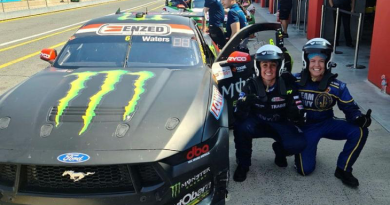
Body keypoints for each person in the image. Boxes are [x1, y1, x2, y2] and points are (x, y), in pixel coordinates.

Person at [294, 38, 371, 187]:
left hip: (327, 123)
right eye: (313, 61)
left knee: (360, 131)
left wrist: (358, 118)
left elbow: (350, 109)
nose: (317, 65)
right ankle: (306, 150)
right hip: (306, 127)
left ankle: (343, 169)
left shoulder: (338, 86)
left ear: (328, 62)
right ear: (306, 61)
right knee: (305, 170)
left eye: (321, 61)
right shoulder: (294, 81)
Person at [233, 44, 307, 182]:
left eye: (273, 65)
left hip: (280, 122)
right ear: (258, 67)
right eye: (264, 65)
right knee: (240, 127)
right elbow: (237, 113)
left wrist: (294, 113)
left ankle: (280, 150)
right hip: (257, 123)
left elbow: (300, 112)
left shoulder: (288, 83)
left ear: (279, 66)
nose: (268, 69)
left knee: (299, 143)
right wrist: (244, 105)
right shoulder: (250, 85)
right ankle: (243, 164)